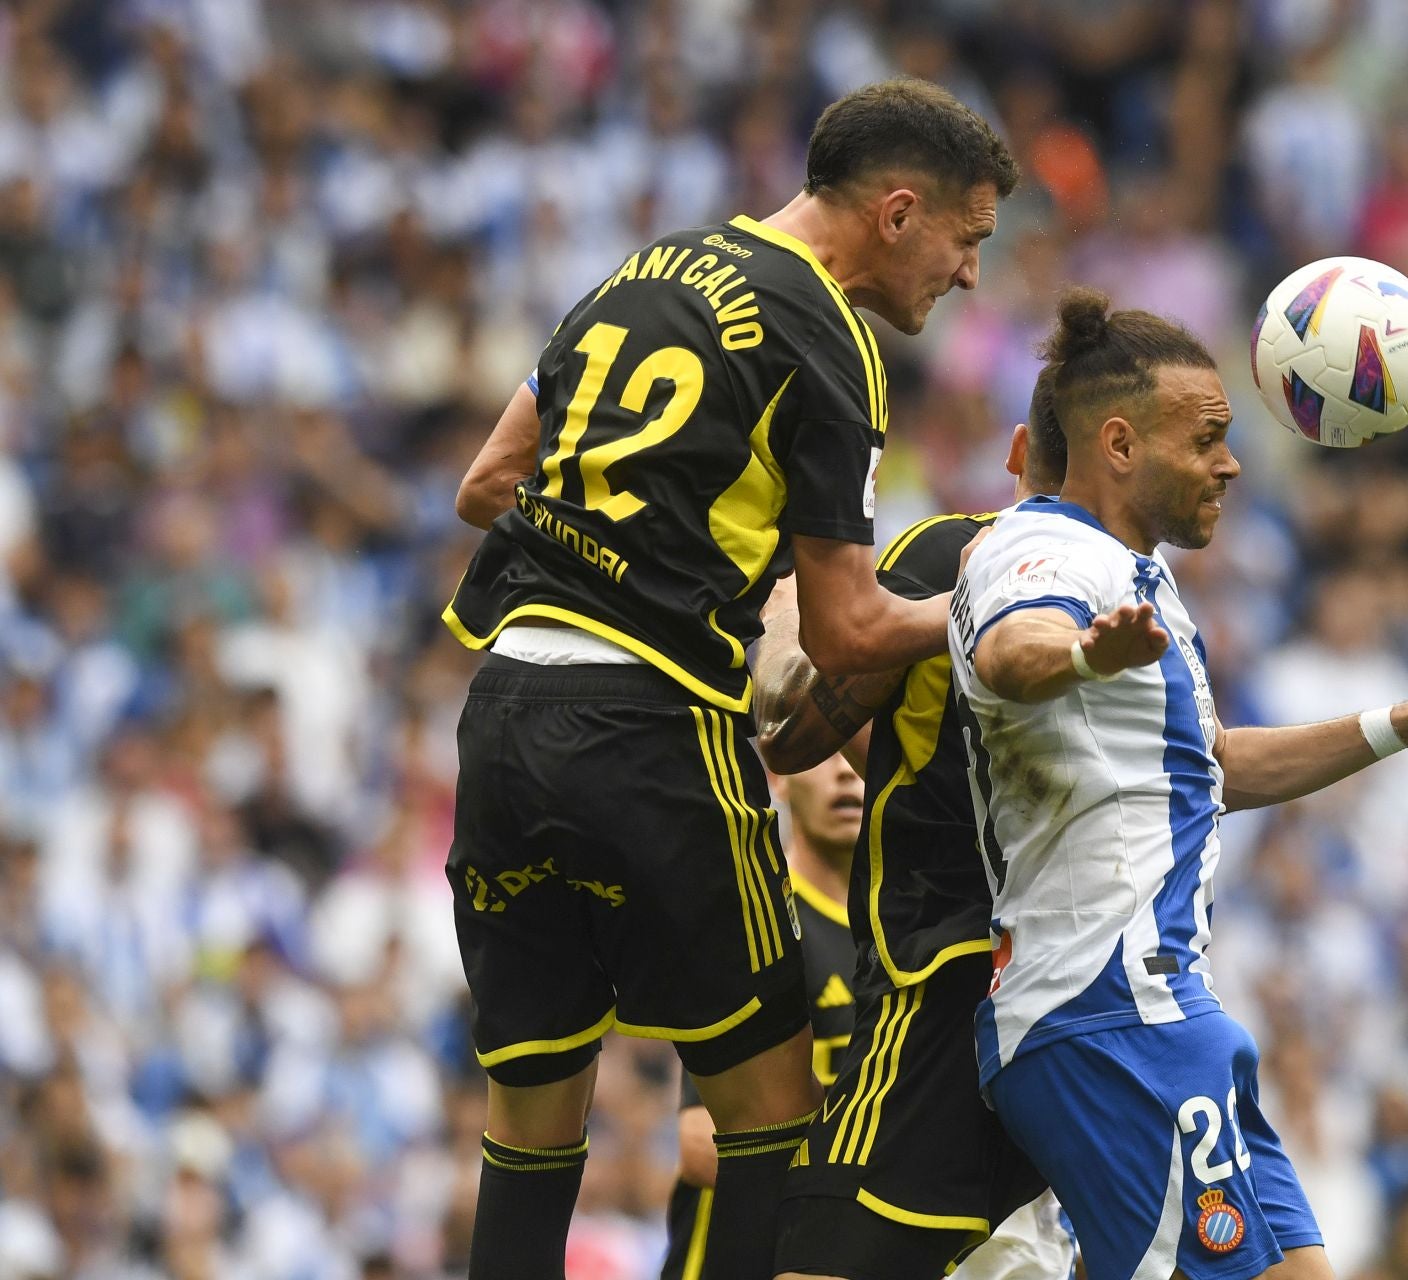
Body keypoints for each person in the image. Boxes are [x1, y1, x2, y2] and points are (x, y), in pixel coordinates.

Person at [441, 78, 1017, 1280]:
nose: (968, 276)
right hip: (647, 726)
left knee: (533, 1111)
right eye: (969, 241)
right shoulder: (830, 333)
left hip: (499, 711)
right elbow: (855, 632)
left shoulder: (642, 272)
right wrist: (989, 599)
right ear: (899, 212)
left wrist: (692, 568)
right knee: (778, 1101)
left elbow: (489, 484)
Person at [948, 287, 1408, 1280]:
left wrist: (1405, 722)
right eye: (1209, 436)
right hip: (1109, 1012)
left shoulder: (1137, 580)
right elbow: (1016, 648)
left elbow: (1214, 767)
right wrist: (1088, 656)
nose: (1231, 460)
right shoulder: (1045, 546)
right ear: (1121, 443)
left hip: (1162, 1008)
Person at [751, 370, 1077, 1280]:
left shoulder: (969, 561)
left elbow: (789, 727)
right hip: (1057, 998)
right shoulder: (1151, 609)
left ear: (1018, 451)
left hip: (967, 981)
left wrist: (782, 619)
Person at [661, 755, 862, 1280]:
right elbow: (701, 1143)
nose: (846, 771)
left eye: (861, 750)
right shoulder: (756, 922)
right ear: (779, 775)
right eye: (825, 752)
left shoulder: (912, 931)